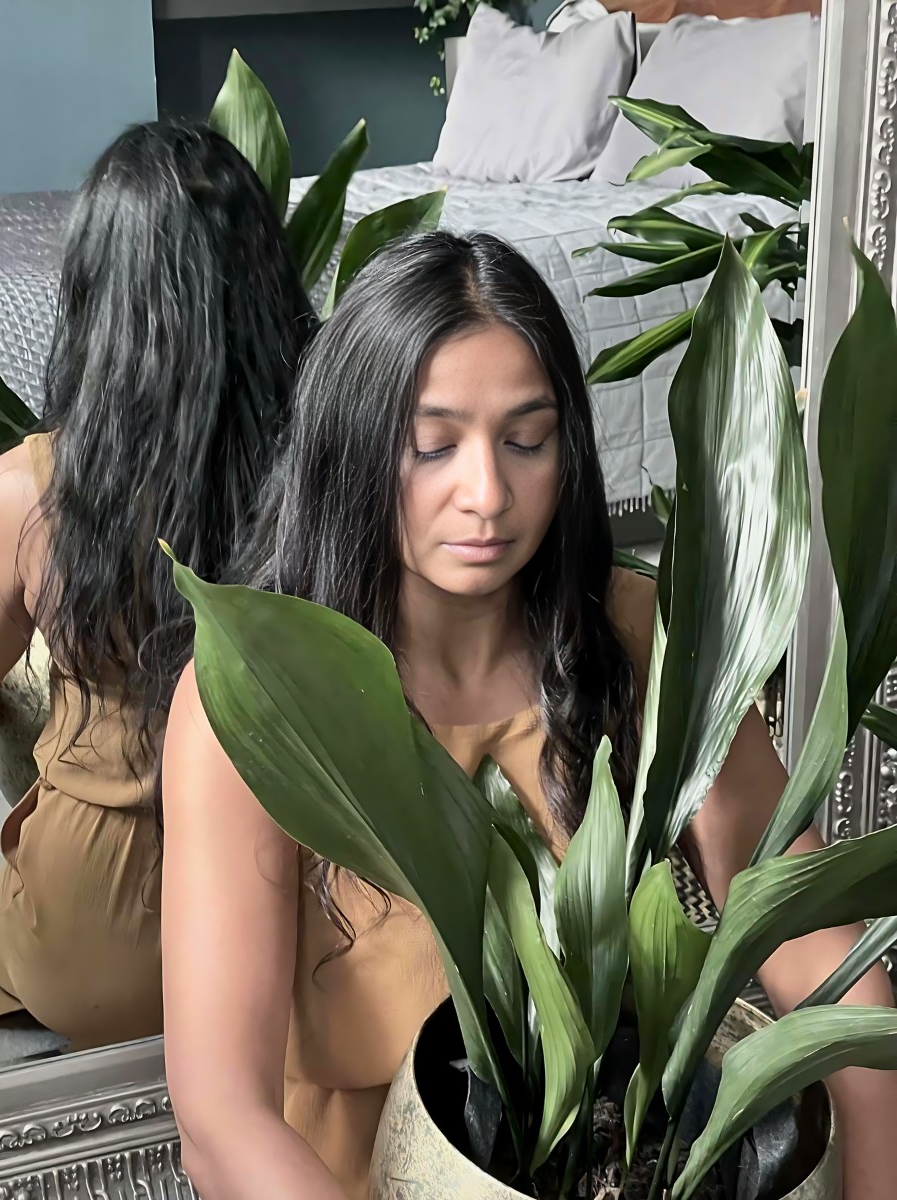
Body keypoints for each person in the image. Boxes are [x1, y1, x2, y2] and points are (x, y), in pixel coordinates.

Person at [160, 232, 897, 1200]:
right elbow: (222, 1122)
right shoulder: (258, 700)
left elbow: (819, 951)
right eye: (433, 446)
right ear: (354, 443)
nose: (488, 494)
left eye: (526, 439)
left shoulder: (642, 638)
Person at [0, 119, 314, 1049]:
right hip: (296, 921)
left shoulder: (33, 489)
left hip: (104, 945)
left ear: (93, 295)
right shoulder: (331, 464)